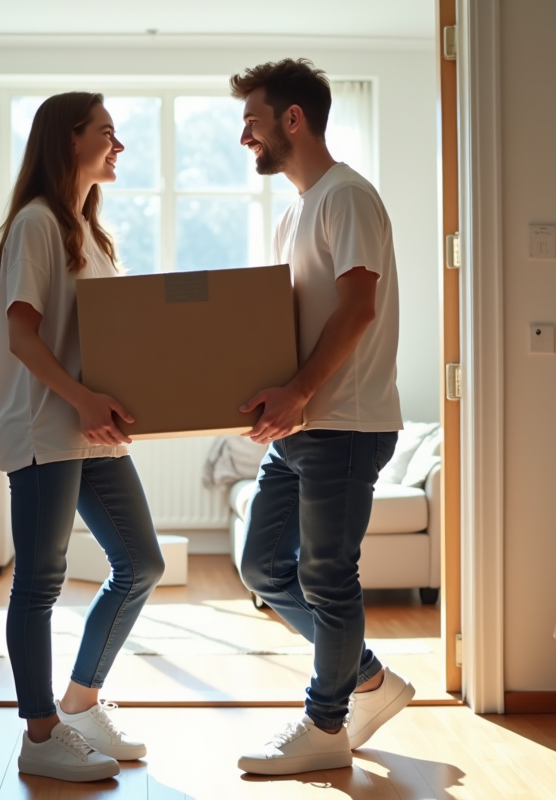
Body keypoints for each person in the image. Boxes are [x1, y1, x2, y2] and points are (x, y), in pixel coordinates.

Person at [229, 59, 415, 775]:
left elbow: (359, 307)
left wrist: (302, 392)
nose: (246, 136)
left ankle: (326, 724)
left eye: (253, 121)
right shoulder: (293, 212)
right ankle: (364, 674)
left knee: (329, 577)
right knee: (264, 567)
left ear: (292, 120)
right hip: (306, 424)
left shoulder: (348, 197)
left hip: (347, 422)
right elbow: (291, 323)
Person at [0, 91, 164, 783]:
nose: (119, 147)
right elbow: (23, 336)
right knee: (39, 582)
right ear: (68, 140)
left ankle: (81, 702)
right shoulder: (36, 224)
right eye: (107, 133)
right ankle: (40, 734)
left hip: (91, 429)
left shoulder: (89, 232)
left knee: (140, 564)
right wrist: (83, 397)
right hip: (47, 427)